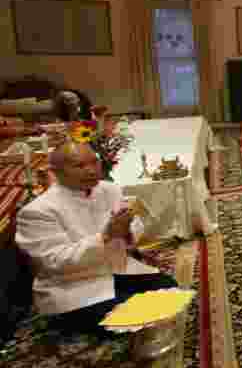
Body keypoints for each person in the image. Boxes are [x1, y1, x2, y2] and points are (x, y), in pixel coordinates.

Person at [15, 143, 177, 334]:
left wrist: (127, 231)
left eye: (94, 162)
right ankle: (67, 319)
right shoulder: (38, 211)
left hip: (116, 270)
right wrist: (106, 236)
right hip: (75, 285)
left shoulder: (110, 190)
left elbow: (132, 227)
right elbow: (55, 261)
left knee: (170, 290)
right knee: (136, 315)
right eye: (79, 166)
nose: (91, 171)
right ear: (56, 172)